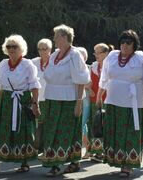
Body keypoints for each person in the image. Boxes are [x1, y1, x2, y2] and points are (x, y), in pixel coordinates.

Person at [96, 30, 143, 177]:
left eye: (128, 42)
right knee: (115, 132)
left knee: (131, 133)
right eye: (122, 42)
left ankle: (128, 165)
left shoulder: (141, 58)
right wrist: (100, 96)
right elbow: (104, 77)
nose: (124, 45)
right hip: (113, 102)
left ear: (134, 44)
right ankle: (117, 160)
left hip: (133, 104)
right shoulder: (112, 56)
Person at [0, 34, 41, 174]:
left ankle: (24, 162)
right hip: (6, 101)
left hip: (22, 101)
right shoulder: (3, 64)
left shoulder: (27, 64)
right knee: (0, 130)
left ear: (21, 49)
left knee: (22, 131)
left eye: (14, 46)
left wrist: (35, 104)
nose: (11, 49)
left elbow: (34, 85)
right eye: (9, 46)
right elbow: (1, 85)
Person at [41, 24, 90, 177]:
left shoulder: (75, 55)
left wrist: (78, 102)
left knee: (67, 131)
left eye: (56, 37)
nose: (54, 40)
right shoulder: (55, 55)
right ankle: (54, 163)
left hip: (69, 99)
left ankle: (73, 162)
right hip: (52, 98)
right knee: (51, 131)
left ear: (64, 37)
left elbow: (81, 80)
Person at [87, 43, 113, 162]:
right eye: (94, 52)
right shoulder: (93, 66)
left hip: (109, 100)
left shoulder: (112, 65)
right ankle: (97, 152)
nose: (95, 55)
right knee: (96, 125)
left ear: (106, 53)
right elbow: (87, 81)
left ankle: (107, 151)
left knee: (107, 125)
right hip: (94, 101)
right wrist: (90, 89)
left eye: (98, 52)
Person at [31, 38, 52, 155]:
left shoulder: (55, 61)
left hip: (50, 98)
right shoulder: (33, 62)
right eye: (40, 49)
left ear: (50, 49)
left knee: (48, 124)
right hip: (37, 98)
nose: (42, 51)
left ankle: (46, 148)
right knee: (37, 124)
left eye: (45, 49)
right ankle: (36, 147)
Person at [76, 47, 91, 160]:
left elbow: (89, 84)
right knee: (82, 126)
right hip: (76, 99)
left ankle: (86, 150)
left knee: (81, 124)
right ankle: (87, 150)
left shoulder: (87, 68)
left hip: (84, 101)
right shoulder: (75, 68)